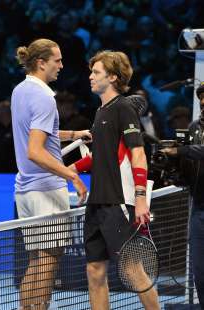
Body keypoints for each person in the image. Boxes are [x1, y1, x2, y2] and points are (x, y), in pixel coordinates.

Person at [69, 50, 160, 310]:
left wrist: (141, 198)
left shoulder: (124, 107)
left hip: (120, 202)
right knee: (95, 271)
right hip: (97, 204)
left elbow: (138, 153)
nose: (90, 77)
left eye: (96, 72)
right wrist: (68, 168)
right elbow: (102, 156)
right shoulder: (100, 112)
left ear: (112, 77)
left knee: (132, 270)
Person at [11, 38, 91, 310]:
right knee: (48, 259)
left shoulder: (20, 90)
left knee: (37, 258)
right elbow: (35, 150)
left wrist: (73, 134)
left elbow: (38, 134)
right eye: (57, 60)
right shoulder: (45, 96)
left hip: (25, 190)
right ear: (41, 62)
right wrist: (73, 176)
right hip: (46, 189)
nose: (61, 65)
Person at [161, 82, 204, 309]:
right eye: (201, 98)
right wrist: (177, 172)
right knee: (200, 273)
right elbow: (188, 163)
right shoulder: (194, 128)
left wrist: (181, 150)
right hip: (198, 209)